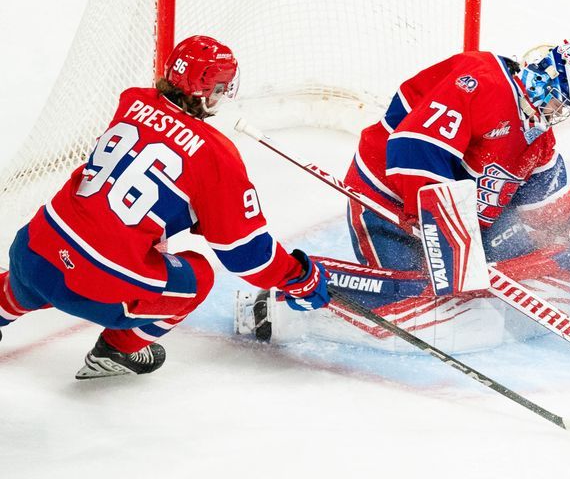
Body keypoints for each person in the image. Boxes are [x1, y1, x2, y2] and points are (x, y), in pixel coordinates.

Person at [239, 41, 570, 352]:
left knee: (545, 264)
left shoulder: (538, 141)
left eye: (561, 107)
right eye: (551, 97)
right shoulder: (481, 80)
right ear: (536, 77)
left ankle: (453, 280)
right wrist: (446, 230)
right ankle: (281, 303)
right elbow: (412, 147)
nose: (551, 111)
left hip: (459, 222)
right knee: (429, 308)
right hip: (389, 208)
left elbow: (548, 211)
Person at [0, 35, 330, 378]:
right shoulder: (216, 156)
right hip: (101, 288)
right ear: (209, 91)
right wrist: (299, 277)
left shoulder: (132, 101)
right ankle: (118, 350)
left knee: (30, 278)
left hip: (32, 250)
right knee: (198, 275)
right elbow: (245, 253)